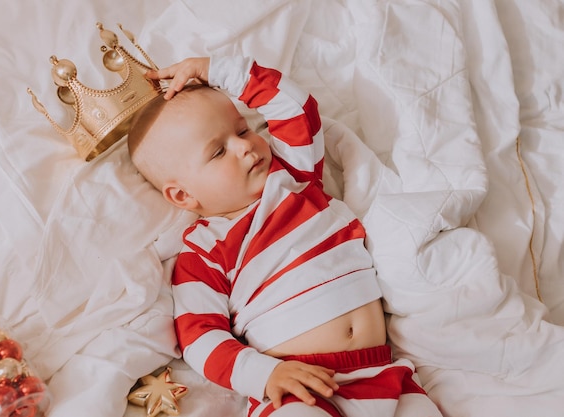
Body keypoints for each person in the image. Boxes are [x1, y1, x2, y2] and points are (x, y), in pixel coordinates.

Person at [128, 55, 442, 417]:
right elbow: (199, 336)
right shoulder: (203, 252)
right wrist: (265, 374)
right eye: (218, 151)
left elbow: (295, 108)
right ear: (183, 196)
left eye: (243, 130)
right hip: (297, 386)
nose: (244, 145)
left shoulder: (294, 179)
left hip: (382, 375)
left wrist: (218, 70)